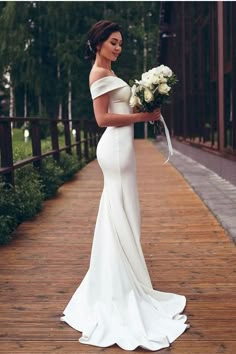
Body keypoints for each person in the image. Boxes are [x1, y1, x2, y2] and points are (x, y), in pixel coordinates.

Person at [61, 20, 189, 351]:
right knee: (120, 211)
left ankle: (124, 276)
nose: (118, 47)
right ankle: (120, 285)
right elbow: (102, 119)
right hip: (115, 148)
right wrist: (142, 118)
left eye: (121, 43)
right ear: (99, 43)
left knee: (123, 212)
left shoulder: (109, 74)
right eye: (113, 42)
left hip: (122, 149)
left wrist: (145, 102)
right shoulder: (98, 75)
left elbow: (121, 107)